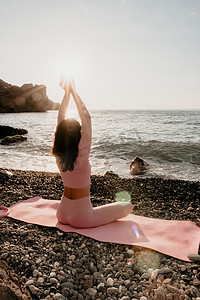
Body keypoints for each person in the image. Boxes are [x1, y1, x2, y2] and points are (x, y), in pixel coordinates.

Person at [52, 78, 133, 228]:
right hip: (82, 218)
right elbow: (87, 119)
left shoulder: (58, 154)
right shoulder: (81, 154)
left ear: (60, 136)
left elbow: (60, 118)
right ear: (78, 135)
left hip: (61, 214)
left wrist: (67, 94)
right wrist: (74, 92)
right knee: (127, 206)